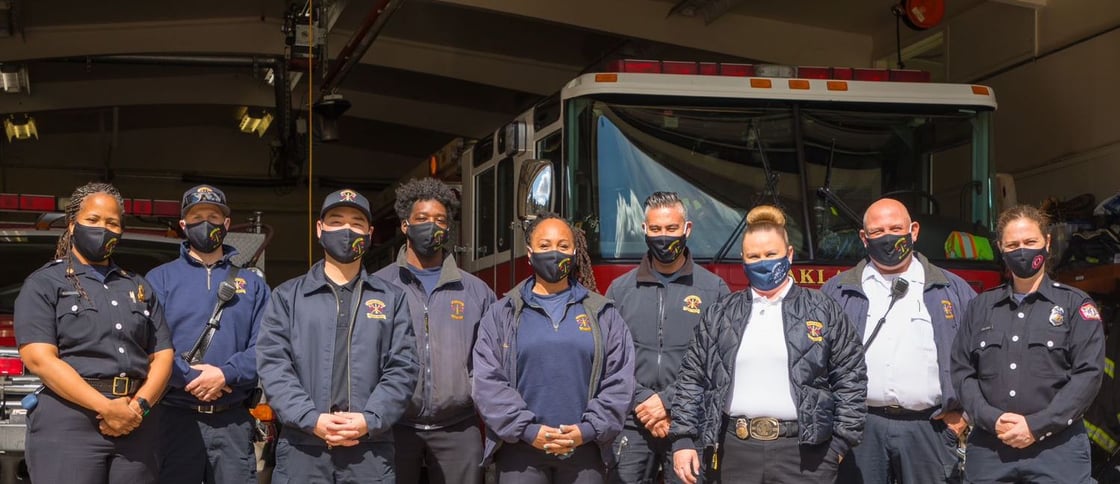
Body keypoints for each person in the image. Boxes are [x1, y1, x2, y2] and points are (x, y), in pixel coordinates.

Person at [670, 205, 866, 484]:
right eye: (754, 256)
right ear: (743, 260)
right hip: (734, 453)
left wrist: (838, 446)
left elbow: (851, 379)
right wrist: (683, 439)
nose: (763, 262)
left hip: (806, 457)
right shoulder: (721, 313)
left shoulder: (823, 310)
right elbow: (691, 378)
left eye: (771, 254)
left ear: (788, 254)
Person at [14, 182, 174, 484]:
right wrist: (106, 407)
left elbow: (163, 354)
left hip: (137, 424)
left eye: (112, 222)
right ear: (72, 225)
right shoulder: (44, 284)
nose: (103, 228)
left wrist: (138, 407)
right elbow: (39, 359)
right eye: (93, 220)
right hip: (69, 423)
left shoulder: (137, 286)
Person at [256, 188, 418, 483]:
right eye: (336, 221)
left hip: (369, 448)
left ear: (369, 233)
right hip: (303, 448)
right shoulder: (287, 297)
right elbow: (274, 365)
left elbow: (403, 368)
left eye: (356, 223)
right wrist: (311, 419)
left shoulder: (392, 299)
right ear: (320, 229)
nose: (346, 230)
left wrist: (369, 420)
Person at [473, 212, 635, 484]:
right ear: (529, 253)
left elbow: (620, 377)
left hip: (585, 453)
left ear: (574, 252)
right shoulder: (501, 313)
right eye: (545, 245)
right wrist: (526, 429)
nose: (554, 253)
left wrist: (587, 429)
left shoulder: (602, 313)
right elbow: (487, 380)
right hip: (519, 453)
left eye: (562, 246)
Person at [821, 198, 975, 484]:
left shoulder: (953, 290)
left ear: (913, 231)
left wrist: (966, 416)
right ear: (864, 238)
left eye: (896, 228)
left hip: (931, 430)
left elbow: (983, 358)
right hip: (859, 431)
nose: (888, 237)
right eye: (878, 232)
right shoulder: (836, 292)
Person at [951, 204, 1105, 483]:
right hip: (990, 451)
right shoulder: (980, 307)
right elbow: (962, 372)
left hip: (1058, 452)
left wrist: (1036, 426)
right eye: (1013, 244)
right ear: (1001, 248)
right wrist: (991, 419)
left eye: (1030, 242)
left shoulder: (1076, 305)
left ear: (1046, 242)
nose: (1022, 250)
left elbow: (1088, 376)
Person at [373, 178, 496, 484]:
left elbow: (494, 359)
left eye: (440, 220)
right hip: (393, 425)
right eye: (422, 219)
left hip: (458, 426)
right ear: (405, 226)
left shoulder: (476, 291)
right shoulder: (378, 287)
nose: (432, 226)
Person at [147, 184, 271, 484]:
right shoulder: (159, 279)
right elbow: (150, 343)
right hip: (174, 418)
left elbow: (267, 346)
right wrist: (189, 377)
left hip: (232, 421)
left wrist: (225, 374)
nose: (206, 223)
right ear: (183, 225)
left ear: (226, 224)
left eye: (214, 216)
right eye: (197, 216)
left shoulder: (252, 285)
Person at [605, 191, 729, 484]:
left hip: (690, 424)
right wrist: (644, 400)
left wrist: (668, 401)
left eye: (672, 229)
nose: (664, 237)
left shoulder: (714, 290)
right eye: (657, 229)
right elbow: (609, 361)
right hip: (632, 424)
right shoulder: (619, 291)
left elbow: (720, 362)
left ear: (687, 229)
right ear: (644, 230)